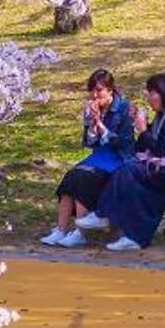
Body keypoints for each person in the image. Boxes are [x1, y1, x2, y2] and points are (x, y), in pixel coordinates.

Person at [92, 72, 165, 253]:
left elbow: (162, 150)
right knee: (129, 173)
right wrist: (139, 125)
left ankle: (109, 217)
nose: (149, 98)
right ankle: (129, 233)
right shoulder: (163, 116)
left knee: (130, 171)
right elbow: (144, 147)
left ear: (164, 93)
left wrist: (143, 130)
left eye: (152, 93)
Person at [42, 69, 135, 247]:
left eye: (99, 90)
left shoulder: (124, 109)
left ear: (111, 90)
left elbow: (124, 142)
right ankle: (60, 229)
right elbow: (89, 142)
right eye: (92, 90)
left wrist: (101, 126)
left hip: (119, 158)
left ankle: (80, 232)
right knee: (71, 176)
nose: (95, 95)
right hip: (99, 156)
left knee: (83, 177)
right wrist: (91, 124)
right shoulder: (93, 109)